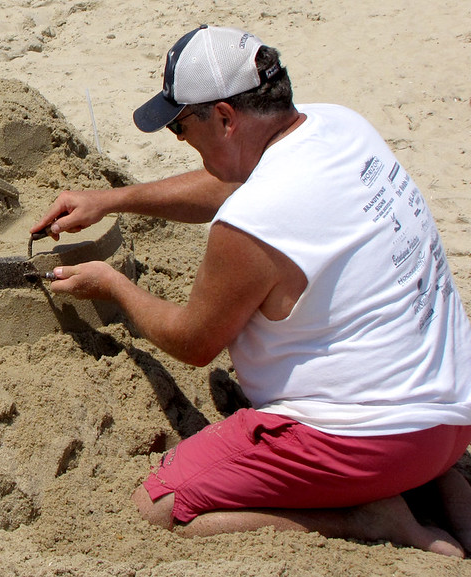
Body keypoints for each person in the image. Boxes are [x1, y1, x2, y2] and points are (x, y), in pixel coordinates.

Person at [30, 25, 471, 556]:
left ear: (223, 116)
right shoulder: (339, 125)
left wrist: (114, 285)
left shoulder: (252, 225)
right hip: (451, 416)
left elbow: (194, 343)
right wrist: (112, 200)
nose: (179, 140)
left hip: (366, 442)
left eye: (179, 125)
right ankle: (444, 489)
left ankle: (368, 518)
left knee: (162, 504)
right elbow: (233, 181)